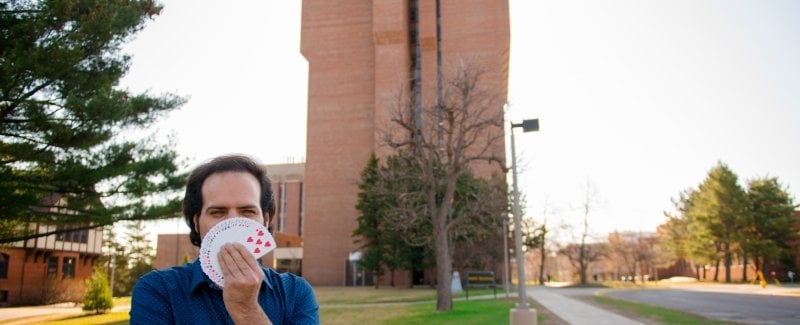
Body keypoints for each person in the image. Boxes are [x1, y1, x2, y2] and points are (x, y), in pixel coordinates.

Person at [130, 155, 319, 324]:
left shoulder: (295, 293)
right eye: (217, 212)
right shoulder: (157, 290)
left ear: (266, 219)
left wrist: (246, 310)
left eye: (247, 211)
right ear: (196, 222)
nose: (232, 223)